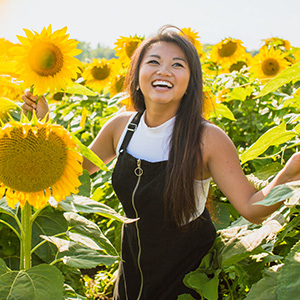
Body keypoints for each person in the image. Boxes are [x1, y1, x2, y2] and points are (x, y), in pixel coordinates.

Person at [22, 25, 300, 300]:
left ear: (191, 80)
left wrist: (289, 172)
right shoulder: (121, 127)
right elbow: (76, 167)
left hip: (186, 280)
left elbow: (251, 207)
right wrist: (44, 123)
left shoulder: (207, 138)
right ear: (137, 73)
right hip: (131, 273)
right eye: (153, 62)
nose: (164, 71)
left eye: (177, 65)